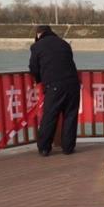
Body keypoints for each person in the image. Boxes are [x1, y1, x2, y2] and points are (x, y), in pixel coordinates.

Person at [29, 25, 80, 156]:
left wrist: (39, 80)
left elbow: (33, 68)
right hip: (73, 84)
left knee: (50, 116)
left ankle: (44, 148)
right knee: (70, 115)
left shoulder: (37, 46)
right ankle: (68, 148)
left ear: (38, 34)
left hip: (54, 85)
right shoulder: (64, 44)